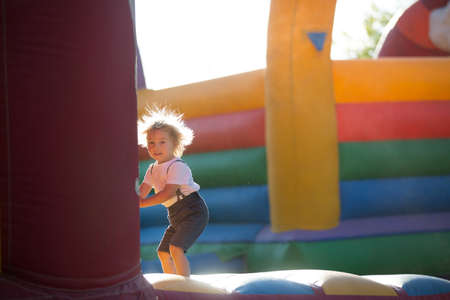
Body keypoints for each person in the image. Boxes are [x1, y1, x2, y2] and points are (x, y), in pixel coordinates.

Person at [137, 106, 208, 277]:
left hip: (193, 211)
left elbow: (167, 194)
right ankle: (172, 284)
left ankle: (184, 286)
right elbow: (141, 192)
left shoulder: (177, 166)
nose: (156, 147)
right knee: (163, 252)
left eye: (162, 142)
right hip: (175, 215)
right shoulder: (152, 169)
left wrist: (141, 204)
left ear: (174, 143)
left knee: (176, 248)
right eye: (151, 143)